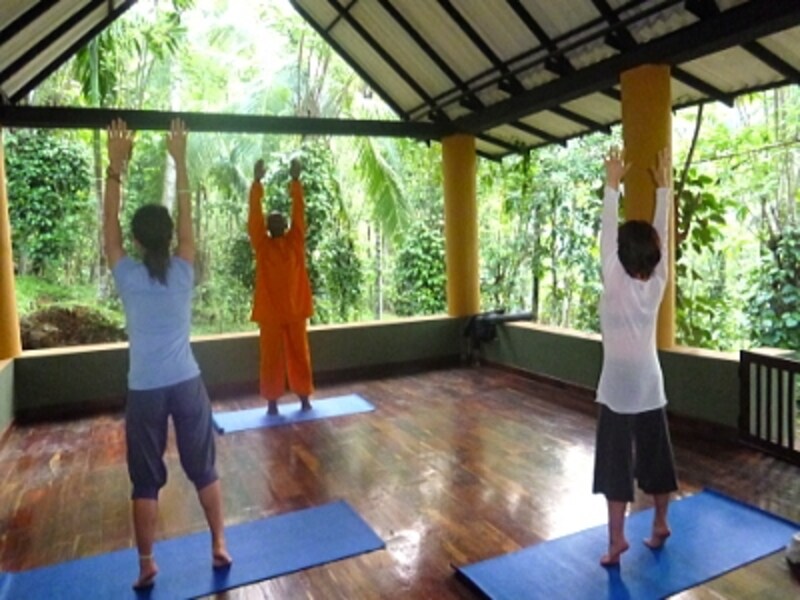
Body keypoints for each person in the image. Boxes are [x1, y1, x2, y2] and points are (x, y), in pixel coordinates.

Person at [103, 118, 231, 589]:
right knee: (205, 468)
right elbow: (188, 224)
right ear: (170, 237)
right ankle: (219, 544)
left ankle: (146, 564)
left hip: (145, 390)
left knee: (145, 480)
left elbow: (109, 229)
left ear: (136, 241)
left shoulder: (128, 276)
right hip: (186, 381)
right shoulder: (183, 269)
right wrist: (179, 159)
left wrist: (116, 168)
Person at [592, 146, 678, 567]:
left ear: (621, 257)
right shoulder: (658, 281)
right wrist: (665, 189)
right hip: (650, 385)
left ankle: (616, 542)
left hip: (617, 390)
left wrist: (612, 184)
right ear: (654, 257)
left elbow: (608, 233)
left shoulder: (614, 279)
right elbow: (662, 235)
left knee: (614, 469)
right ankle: (660, 522)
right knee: (656, 460)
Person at [248, 157, 314, 415]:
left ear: (285, 226)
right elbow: (254, 217)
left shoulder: (295, 241)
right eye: (271, 222)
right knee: (271, 359)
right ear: (266, 227)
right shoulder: (262, 246)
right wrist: (256, 184)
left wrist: (296, 183)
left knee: (300, 355)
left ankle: (304, 396)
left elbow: (299, 212)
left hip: (296, 309)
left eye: (280, 221)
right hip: (270, 313)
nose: (276, 224)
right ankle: (272, 401)